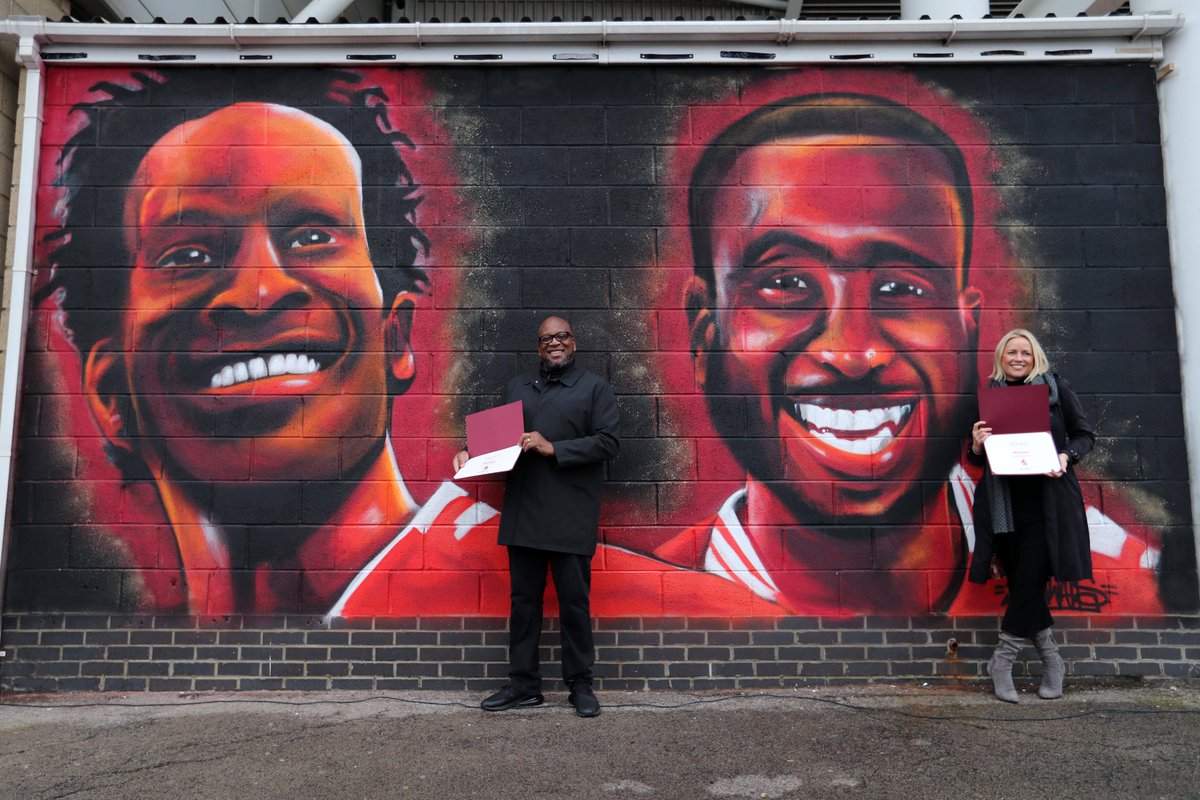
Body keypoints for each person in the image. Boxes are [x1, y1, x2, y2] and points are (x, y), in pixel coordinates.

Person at [655, 81, 1161, 617]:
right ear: (704, 331)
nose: (852, 353)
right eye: (785, 283)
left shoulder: (1132, 587)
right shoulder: (656, 597)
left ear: (967, 328)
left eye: (902, 289)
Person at [37, 68, 495, 616]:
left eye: (313, 237)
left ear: (394, 339)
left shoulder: (607, 593)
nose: (260, 291)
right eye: (188, 256)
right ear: (110, 390)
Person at [454, 316, 619, 717]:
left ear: (574, 342)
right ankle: (524, 685)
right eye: (546, 339)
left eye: (562, 336)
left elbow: (608, 442)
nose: (554, 343)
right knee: (523, 604)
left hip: (570, 513)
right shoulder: (517, 388)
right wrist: (468, 452)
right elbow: (496, 441)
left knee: (573, 604)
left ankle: (580, 685)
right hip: (524, 511)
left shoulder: (595, 388)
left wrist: (554, 448)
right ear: (538, 347)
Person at [968, 329, 1093, 702]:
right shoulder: (990, 394)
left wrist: (1064, 456)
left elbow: (1084, 435)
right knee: (1026, 587)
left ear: (1034, 356)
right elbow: (977, 459)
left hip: (1047, 506)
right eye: (1011, 353)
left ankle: (1001, 662)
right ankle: (1053, 661)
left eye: (1024, 352)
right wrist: (975, 445)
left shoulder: (1056, 389)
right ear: (1001, 358)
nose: (1018, 358)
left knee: (1028, 583)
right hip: (1003, 505)